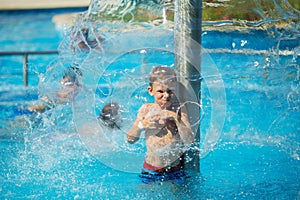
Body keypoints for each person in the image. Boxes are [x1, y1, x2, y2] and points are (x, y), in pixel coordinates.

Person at [126, 66, 194, 183]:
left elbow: (189, 139)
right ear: (150, 91)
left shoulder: (180, 109)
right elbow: (130, 139)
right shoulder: (145, 110)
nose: (166, 95)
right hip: (150, 168)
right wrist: (142, 125)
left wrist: (174, 117)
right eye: (160, 91)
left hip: (175, 170)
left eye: (170, 91)